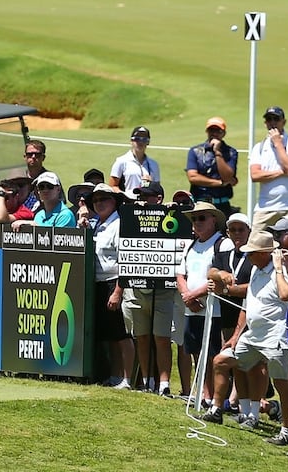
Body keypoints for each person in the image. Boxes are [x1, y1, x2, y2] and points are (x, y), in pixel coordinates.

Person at [201, 230, 288, 442]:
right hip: (252, 335)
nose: (248, 256)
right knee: (221, 361)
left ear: (264, 253)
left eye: (252, 253)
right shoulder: (256, 269)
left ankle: (286, 431)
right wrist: (237, 334)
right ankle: (216, 410)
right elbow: (248, 303)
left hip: (275, 337)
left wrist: (283, 267)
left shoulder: (280, 272)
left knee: (282, 383)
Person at [175, 202, 232, 400]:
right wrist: (187, 297)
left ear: (213, 220)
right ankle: (202, 394)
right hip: (191, 309)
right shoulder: (191, 245)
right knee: (196, 354)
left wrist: (193, 295)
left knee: (213, 355)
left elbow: (219, 277)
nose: (197, 222)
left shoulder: (222, 244)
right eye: (194, 219)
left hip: (214, 310)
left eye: (202, 218)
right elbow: (180, 275)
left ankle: (213, 398)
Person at [82, 183, 135, 389]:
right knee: (110, 335)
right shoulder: (96, 224)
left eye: (104, 199)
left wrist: (118, 292)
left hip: (114, 283)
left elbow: (126, 261)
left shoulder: (119, 224)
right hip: (99, 283)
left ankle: (127, 378)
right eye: (95, 200)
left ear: (114, 202)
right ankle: (115, 376)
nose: (99, 203)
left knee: (122, 334)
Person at [207, 212, 253, 416]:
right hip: (227, 318)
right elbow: (211, 272)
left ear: (249, 232)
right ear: (227, 232)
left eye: (241, 230)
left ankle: (249, 408)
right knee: (233, 363)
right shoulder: (225, 255)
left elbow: (252, 288)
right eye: (233, 230)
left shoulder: (254, 257)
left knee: (247, 366)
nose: (237, 234)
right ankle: (238, 406)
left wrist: (225, 290)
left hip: (249, 320)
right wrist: (221, 274)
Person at [249, 106, 288, 230]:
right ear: (265, 123)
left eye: (276, 119)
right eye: (269, 119)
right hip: (266, 208)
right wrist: (283, 172)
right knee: (255, 245)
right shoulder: (258, 147)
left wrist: (278, 143)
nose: (272, 123)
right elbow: (255, 175)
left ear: (283, 122)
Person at [186, 116, 239, 216]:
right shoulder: (195, 151)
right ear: (207, 131)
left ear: (223, 133)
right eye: (211, 130)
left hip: (222, 204)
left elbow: (228, 177)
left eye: (218, 131)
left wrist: (218, 152)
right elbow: (193, 177)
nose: (214, 134)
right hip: (200, 203)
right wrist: (219, 183)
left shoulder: (231, 152)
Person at [109, 126, 161, 195]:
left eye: (144, 139)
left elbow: (158, 190)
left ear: (148, 142)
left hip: (147, 204)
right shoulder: (121, 161)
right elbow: (112, 186)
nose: (140, 142)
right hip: (127, 204)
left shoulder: (154, 164)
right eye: (137, 139)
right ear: (131, 141)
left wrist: (151, 184)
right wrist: (125, 197)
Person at [14, 140, 53, 210]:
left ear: (43, 157)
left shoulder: (51, 178)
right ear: (25, 157)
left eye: (37, 154)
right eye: (30, 154)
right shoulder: (16, 176)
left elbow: (60, 202)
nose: (33, 157)